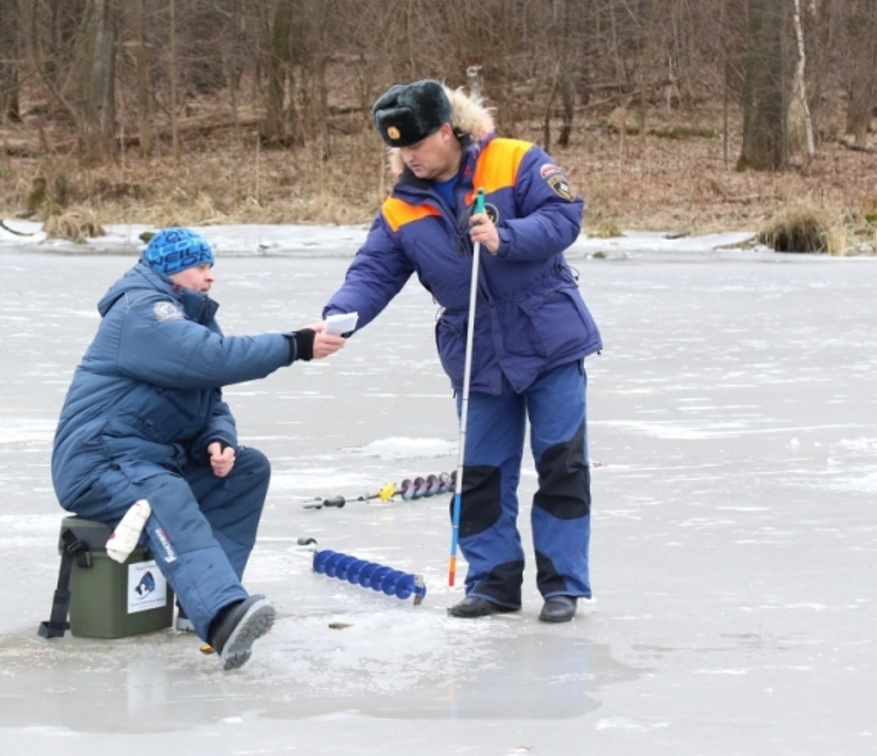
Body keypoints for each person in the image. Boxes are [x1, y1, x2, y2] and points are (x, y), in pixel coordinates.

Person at [322, 80, 601, 623]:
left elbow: (565, 216)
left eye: (418, 145)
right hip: (476, 354)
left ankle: (563, 584)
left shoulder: (516, 160)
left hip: (548, 341)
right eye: (399, 149)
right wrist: (342, 316)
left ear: (447, 131)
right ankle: (492, 583)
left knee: (561, 466)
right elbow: (374, 271)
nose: (409, 157)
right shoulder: (402, 206)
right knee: (480, 473)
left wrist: (507, 237)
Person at [51, 227, 344, 669]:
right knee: (162, 494)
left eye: (211, 267)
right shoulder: (141, 313)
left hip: (148, 459)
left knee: (245, 470)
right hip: (100, 460)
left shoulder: (185, 318)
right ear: (173, 271)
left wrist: (218, 439)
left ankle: (200, 604)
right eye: (201, 267)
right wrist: (296, 345)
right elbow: (213, 359)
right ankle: (223, 616)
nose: (210, 278)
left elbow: (211, 394)